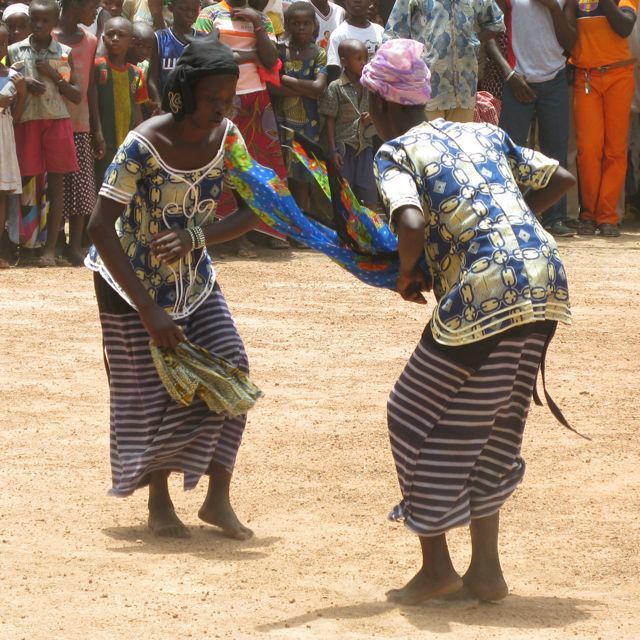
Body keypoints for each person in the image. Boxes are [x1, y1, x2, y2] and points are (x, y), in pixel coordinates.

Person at [361, 39, 574, 603]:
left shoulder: (394, 152)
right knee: (498, 426)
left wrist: (409, 274)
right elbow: (563, 180)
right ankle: (486, 572)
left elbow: (408, 220)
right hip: (544, 277)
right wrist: (507, 229)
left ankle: (436, 567)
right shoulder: (477, 131)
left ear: (377, 105)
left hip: (485, 291)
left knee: (409, 411)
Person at [86, 34, 262, 539]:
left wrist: (196, 235)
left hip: (195, 282)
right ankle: (159, 503)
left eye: (229, 98)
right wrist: (149, 313)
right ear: (184, 93)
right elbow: (100, 226)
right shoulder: (143, 144)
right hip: (128, 286)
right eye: (213, 99)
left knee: (233, 368)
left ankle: (217, 498)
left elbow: (258, 210)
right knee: (154, 394)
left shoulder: (228, 138)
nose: (223, 108)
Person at [195, 0, 290, 253]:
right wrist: (250, 56)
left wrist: (257, 24)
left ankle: (270, 229)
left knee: (264, 166)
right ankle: (231, 234)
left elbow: (270, 61)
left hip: (257, 98)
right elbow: (207, 56)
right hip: (222, 99)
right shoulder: (209, 14)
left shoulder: (263, 19)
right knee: (224, 165)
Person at [485, 0, 577, 238]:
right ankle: (510, 215)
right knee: (511, 150)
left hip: (555, 78)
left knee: (555, 148)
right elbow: (489, 34)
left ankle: (555, 217)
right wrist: (509, 73)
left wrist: (553, 8)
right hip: (518, 79)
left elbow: (572, 43)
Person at [8, 0, 82, 267]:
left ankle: (50, 248)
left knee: (56, 187)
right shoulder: (15, 51)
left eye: (45, 21)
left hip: (57, 122)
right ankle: (28, 246)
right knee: (28, 186)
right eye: (35, 20)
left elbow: (76, 94)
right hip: (27, 122)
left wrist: (54, 75)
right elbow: (5, 83)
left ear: (55, 21)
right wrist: (23, 82)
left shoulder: (63, 52)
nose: (39, 25)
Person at [568, 0, 638, 237]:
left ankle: (608, 216)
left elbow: (625, 27)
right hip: (586, 75)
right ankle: (588, 214)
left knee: (615, 150)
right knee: (588, 149)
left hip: (619, 75)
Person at [383, 0, 504, 122]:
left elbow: (496, 23)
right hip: (426, 92)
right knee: (427, 139)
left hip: (464, 90)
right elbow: (392, 36)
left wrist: (473, 41)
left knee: (459, 140)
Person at [54, 0, 105, 265]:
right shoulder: (47, 37)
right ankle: (55, 243)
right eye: (93, 5)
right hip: (51, 123)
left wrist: (97, 128)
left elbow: (92, 87)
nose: (96, 11)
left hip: (81, 123)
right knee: (54, 187)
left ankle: (74, 246)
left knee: (82, 187)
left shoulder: (90, 40)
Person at [272, 1, 328, 212]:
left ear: (314, 25)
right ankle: (284, 226)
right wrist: (305, 89)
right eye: (296, 23)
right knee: (282, 174)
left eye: (306, 23)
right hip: (282, 121)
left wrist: (285, 78)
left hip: (309, 125)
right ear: (287, 25)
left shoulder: (319, 53)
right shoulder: (279, 50)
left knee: (304, 175)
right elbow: (272, 87)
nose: (301, 27)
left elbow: (319, 87)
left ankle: (301, 227)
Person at [320, 38, 377, 208]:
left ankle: (371, 232)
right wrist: (333, 150)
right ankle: (347, 233)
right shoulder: (335, 87)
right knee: (345, 196)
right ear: (344, 62)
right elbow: (329, 120)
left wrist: (372, 117)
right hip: (344, 149)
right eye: (358, 59)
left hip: (365, 147)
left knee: (369, 194)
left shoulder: (370, 85)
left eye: (365, 58)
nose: (364, 63)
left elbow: (380, 109)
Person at [93, 17, 148, 189]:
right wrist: (97, 133)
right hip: (103, 141)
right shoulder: (97, 67)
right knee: (100, 184)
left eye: (121, 35)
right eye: (110, 34)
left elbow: (137, 108)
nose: (115, 38)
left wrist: (139, 138)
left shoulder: (136, 73)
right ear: (103, 39)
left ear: (131, 41)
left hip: (127, 142)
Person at [0, 19, 26, 268]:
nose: (1, 47)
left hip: (3, 139)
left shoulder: (10, 75)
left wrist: (22, 92)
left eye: (4, 42)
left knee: (2, 195)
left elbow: (14, 117)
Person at [147, 0, 200, 105]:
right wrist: (159, 105)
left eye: (194, 10)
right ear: (171, 8)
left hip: (195, 109)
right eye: (184, 9)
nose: (189, 14)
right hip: (167, 107)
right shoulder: (159, 38)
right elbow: (152, 80)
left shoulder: (203, 40)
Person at [326, 0, 383, 82]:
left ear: (370, 2)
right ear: (344, 1)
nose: (357, 1)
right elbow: (334, 72)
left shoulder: (380, 31)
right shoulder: (338, 35)